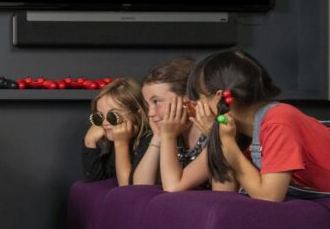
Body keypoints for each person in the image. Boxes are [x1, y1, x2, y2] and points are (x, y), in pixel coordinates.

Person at [187, 50, 330, 201]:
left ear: (219, 98)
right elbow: (224, 198)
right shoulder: (238, 130)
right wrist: (218, 141)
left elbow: (270, 198)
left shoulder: (279, 121)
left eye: (198, 98)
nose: (195, 106)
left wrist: (228, 146)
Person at [135, 57, 211, 190]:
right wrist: (158, 137)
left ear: (187, 98)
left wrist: (168, 137)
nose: (150, 113)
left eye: (157, 101)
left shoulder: (212, 131)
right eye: (148, 105)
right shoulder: (173, 132)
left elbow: (173, 187)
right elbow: (140, 186)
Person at [82, 77, 152, 186]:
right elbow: (97, 184)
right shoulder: (116, 140)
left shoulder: (150, 140)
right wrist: (89, 143)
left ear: (138, 114)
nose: (105, 123)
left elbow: (128, 190)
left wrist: (120, 143)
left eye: (113, 115)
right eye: (99, 117)